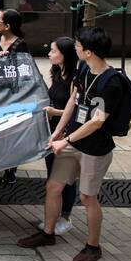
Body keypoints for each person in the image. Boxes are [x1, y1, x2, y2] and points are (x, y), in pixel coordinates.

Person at [19, 27, 129, 261]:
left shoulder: (111, 83)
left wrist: (66, 140)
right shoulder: (83, 69)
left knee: (87, 196)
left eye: (78, 46)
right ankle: (48, 234)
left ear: (89, 52)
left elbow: (98, 121)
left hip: (95, 148)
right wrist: (58, 131)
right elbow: (74, 100)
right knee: (53, 186)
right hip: (72, 140)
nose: (75, 48)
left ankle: (93, 247)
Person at [38, 36, 80, 236]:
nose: (49, 54)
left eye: (53, 51)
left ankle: (66, 216)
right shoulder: (56, 72)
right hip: (52, 133)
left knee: (66, 178)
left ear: (65, 55)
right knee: (53, 176)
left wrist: (54, 113)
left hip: (66, 135)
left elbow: (78, 111)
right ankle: (52, 216)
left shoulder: (75, 79)